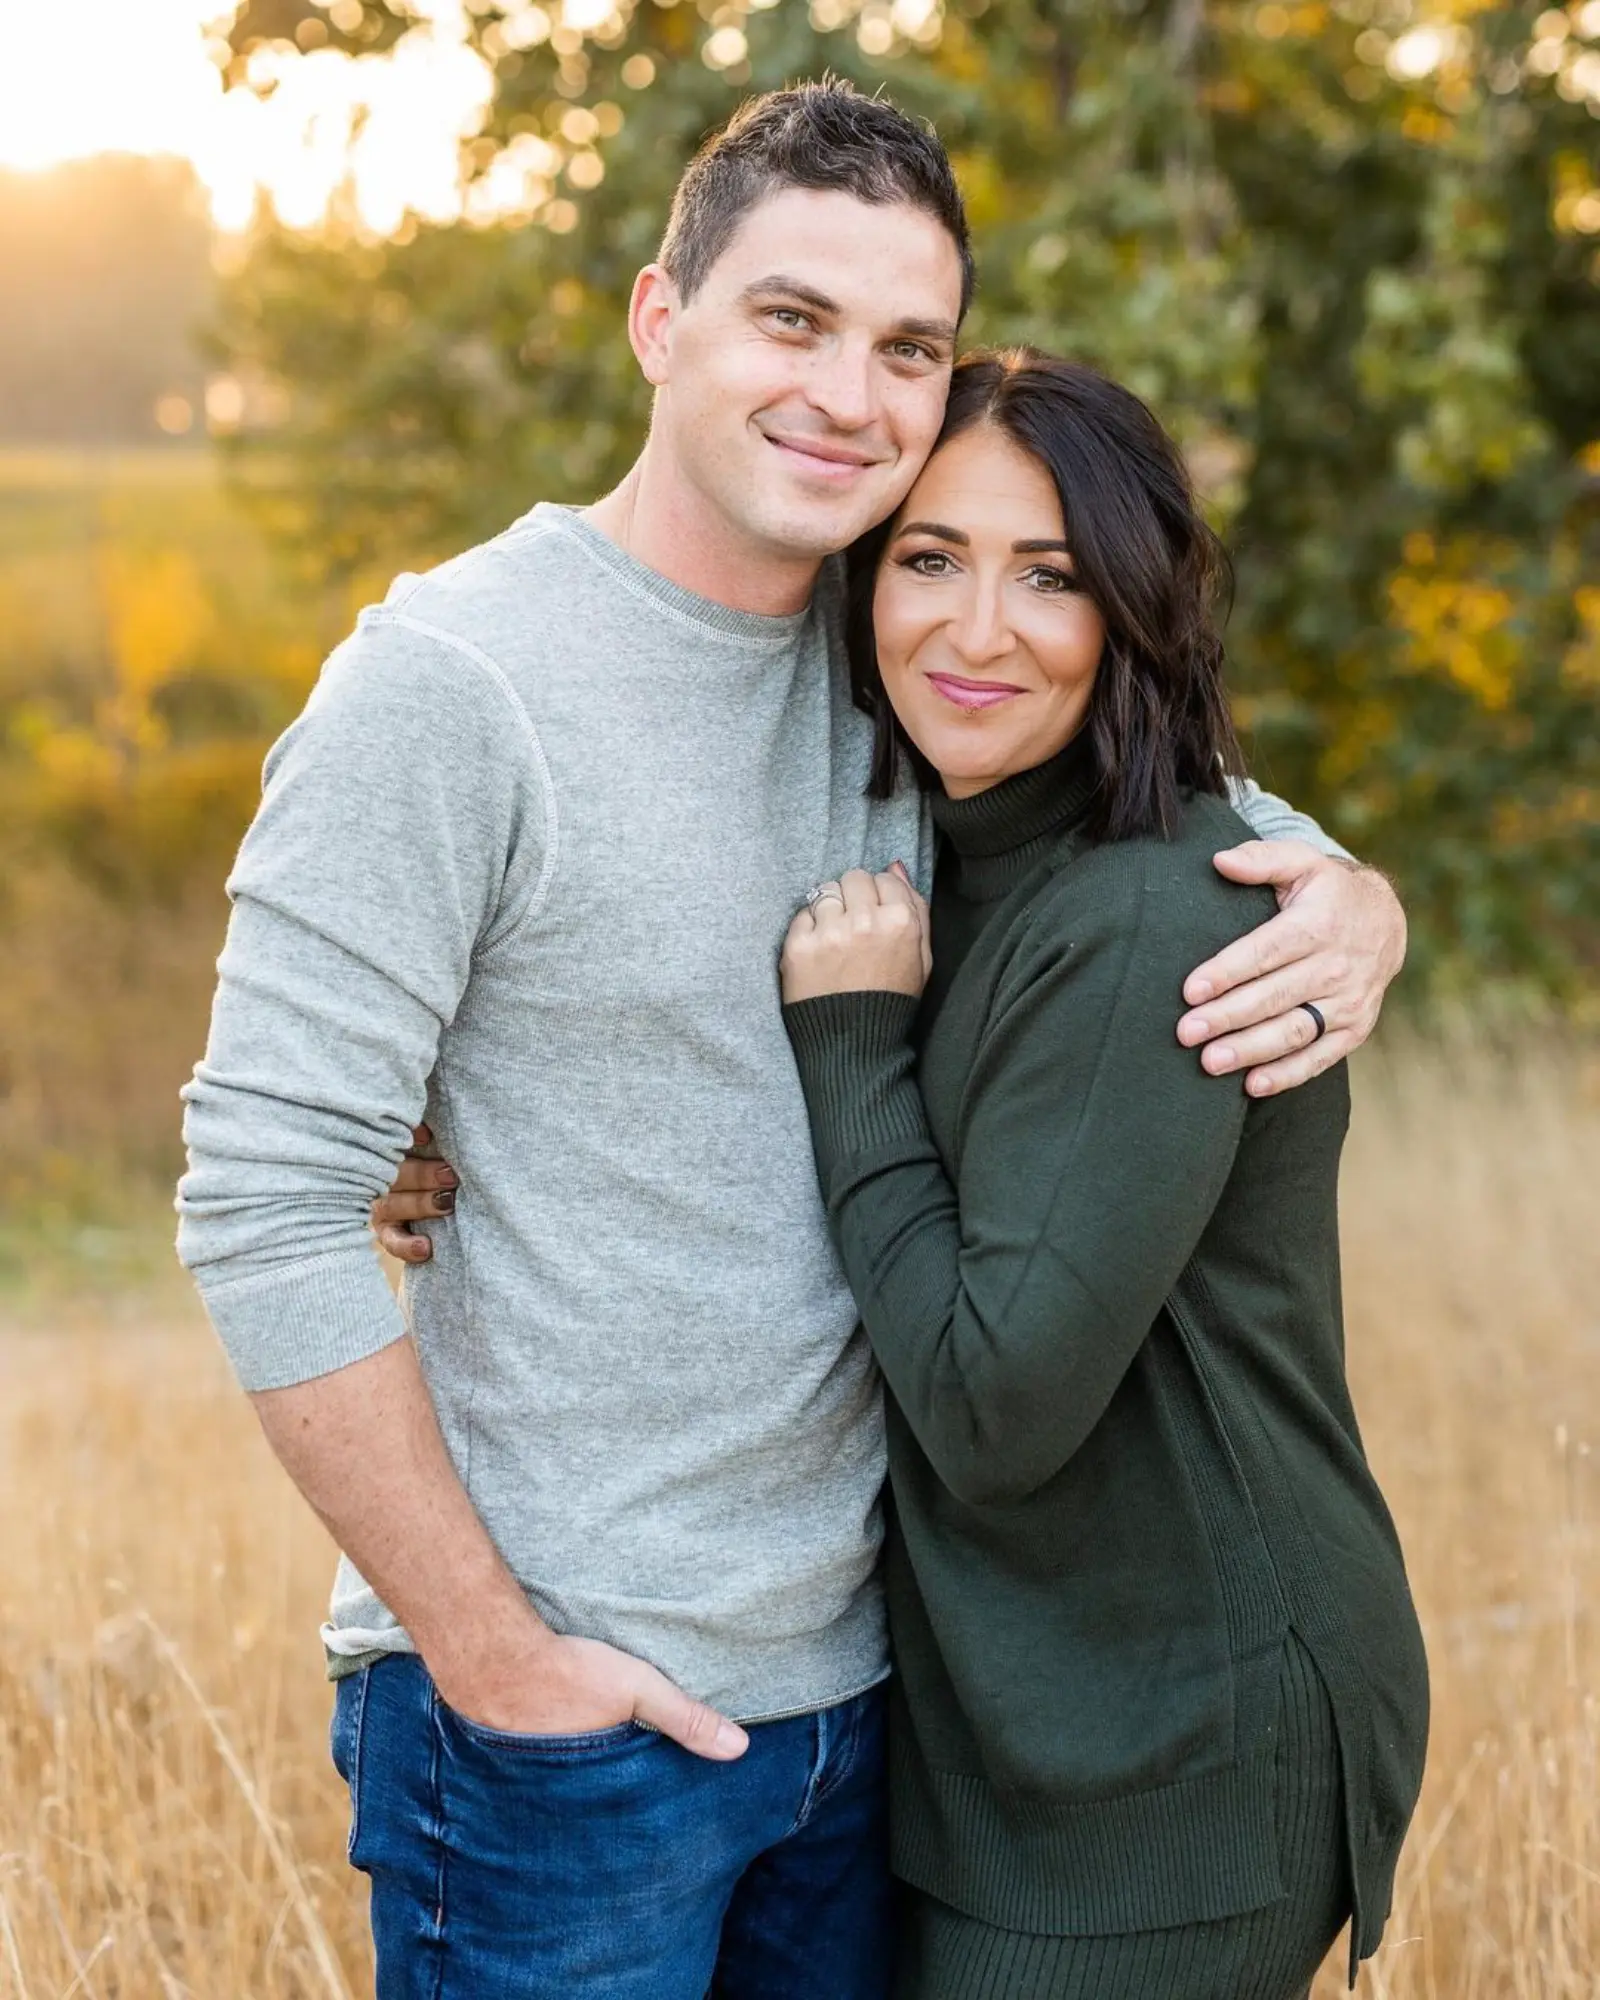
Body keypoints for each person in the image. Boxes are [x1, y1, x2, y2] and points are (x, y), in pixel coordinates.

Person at [179, 81, 1407, 2000]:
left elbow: (1130, 765)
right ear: (662, 322)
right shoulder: (450, 685)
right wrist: (496, 1661)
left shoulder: (890, 652)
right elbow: (261, 1199)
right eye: (791, 318)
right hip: (572, 1739)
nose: (851, 391)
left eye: (906, 345)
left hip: (868, 1722)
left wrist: (1342, 882)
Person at [772, 348, 1428, 1997]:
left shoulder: (1150, 922)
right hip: (1042, 1721)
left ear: (1130, 612)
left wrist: (853, 1053)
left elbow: (995, 1408)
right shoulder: (958, 852)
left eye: (1049, 577)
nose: (975, 630)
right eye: (930, 559)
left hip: (1183, 1753)